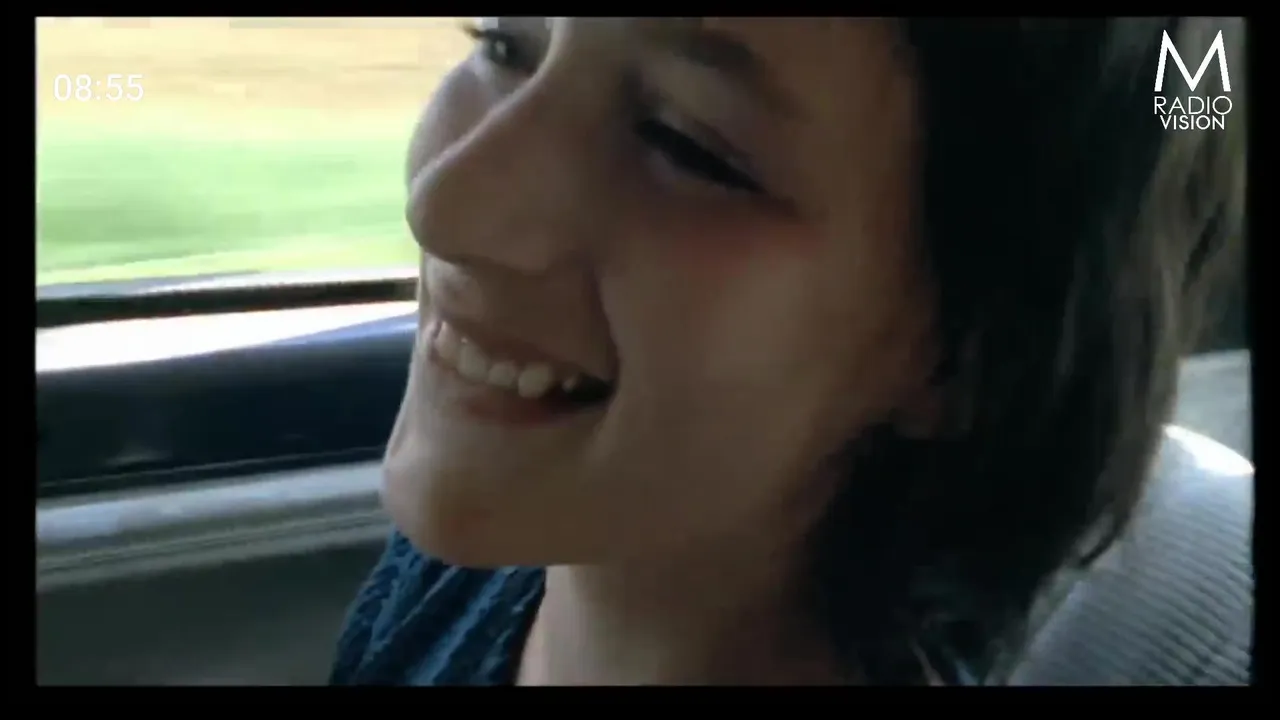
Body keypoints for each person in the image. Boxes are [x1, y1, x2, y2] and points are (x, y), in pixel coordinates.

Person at [329, 18, 1245, 685]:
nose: (444, 205)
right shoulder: (458, 584)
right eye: (503, 43)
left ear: (967, 357)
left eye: (685, 145)